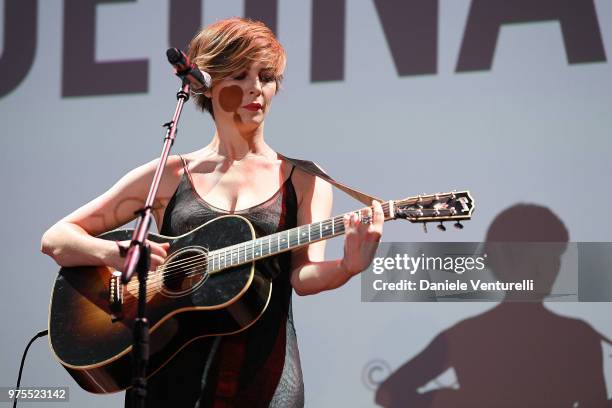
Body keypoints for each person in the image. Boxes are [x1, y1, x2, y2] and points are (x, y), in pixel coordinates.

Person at [41, 17, 384, 408]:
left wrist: (348, 267)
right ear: (208, 84)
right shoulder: (168, 175)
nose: (256, 88)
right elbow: (56, 239)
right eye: (239, 75)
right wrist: (114, 254)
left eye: (267, 76)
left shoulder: (305, 179)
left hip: (263, 373)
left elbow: (303, 277)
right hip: (169, 369)